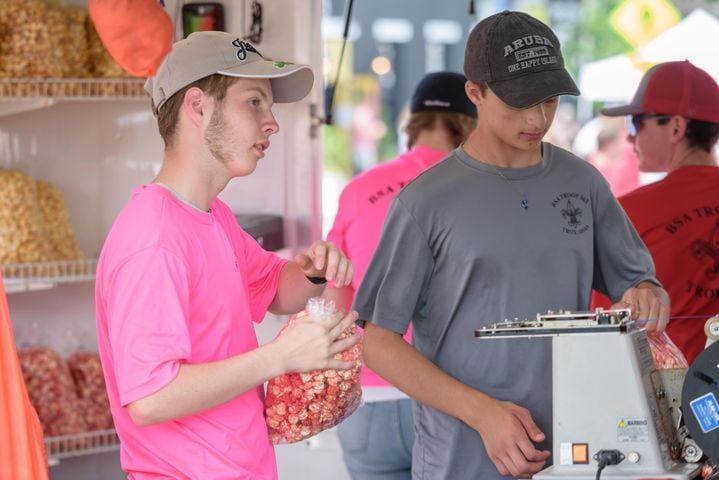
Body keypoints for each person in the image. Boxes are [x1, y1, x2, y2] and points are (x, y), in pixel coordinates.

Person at [352, 11, 670, 479]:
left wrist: (648, 294)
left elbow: (642, 285)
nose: (538, 117)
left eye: (549, 100)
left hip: (577, 455)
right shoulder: (425, 202)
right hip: (460, 461)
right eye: (519, 102)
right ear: (475, 93)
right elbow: (378, 342)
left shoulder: (583, 182)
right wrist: (481, 413)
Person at [95, 31, 360, 479]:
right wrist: (280, 356)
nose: (272, 122)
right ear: (198, 107)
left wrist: (311, 272)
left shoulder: (212, 215)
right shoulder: (154, 238)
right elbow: (150, 398)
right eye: (254, 101)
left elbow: (273, 291)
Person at [323, 71, 477, 479]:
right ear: (470, 124)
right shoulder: (481, 191)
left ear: (414, 124)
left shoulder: (359, 189)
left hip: (368, 400)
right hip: (452, 398)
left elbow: (337, 302)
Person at [599, 60, 719, 365]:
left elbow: (602, 328)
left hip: (672, 402)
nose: (629, 137)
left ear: (676, 126)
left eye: (636, 123)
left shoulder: (631, 213)